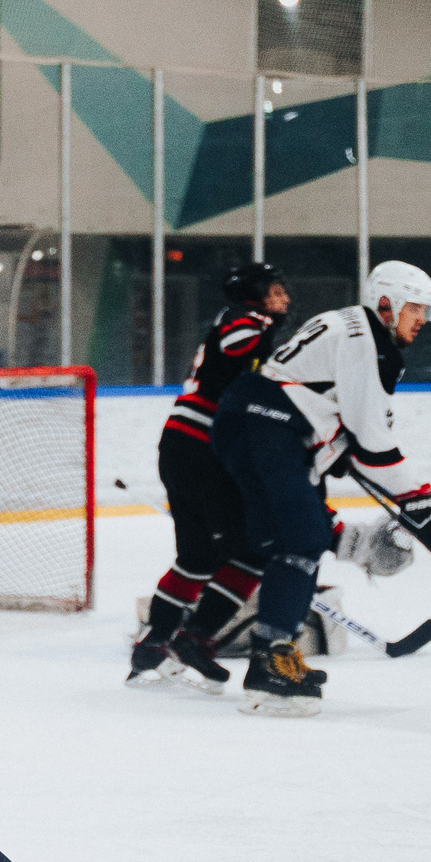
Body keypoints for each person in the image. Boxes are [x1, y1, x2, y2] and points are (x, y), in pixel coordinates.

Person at [207, 261, 431, 715]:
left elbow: (338, 417)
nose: (422, 320)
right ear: (386, 303)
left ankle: (275, 656)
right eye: (415, 309)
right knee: (303, 538)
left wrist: (341, 453)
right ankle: (270, 668)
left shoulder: (352, 325)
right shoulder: (365, 340)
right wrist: (420, 497)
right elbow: (372, 440)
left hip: (262, 425)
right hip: (267, 427)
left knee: (298, 541)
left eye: (426, 311)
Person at [129, 260, 291, 690]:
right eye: (276, 290)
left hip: (182, 444)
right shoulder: (246, 319)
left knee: (198, 557)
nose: (285, 298)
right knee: (254, 552)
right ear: (255, 294)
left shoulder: (247, 321)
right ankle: (195, 639)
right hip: (202, 450)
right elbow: (239, 344)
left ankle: (152, 648)